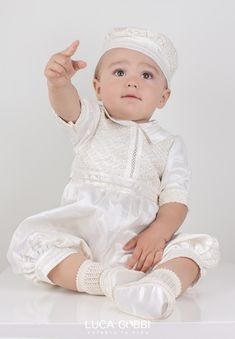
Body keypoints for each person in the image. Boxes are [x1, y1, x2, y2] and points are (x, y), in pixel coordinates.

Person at [7, 27, 220, 320]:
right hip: (81, 235)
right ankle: (104, 281)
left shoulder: (169, 144)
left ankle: (160, 286)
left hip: (137, 243)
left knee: (193, 252)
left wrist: (158, 235)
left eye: (147, 76)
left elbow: (176, 200)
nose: (132, 81)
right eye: (119, 72)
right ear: (97, 88)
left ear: (163, 96)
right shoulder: (92, 121)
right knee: (36, 243)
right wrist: (58, 84)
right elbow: (68, 107)